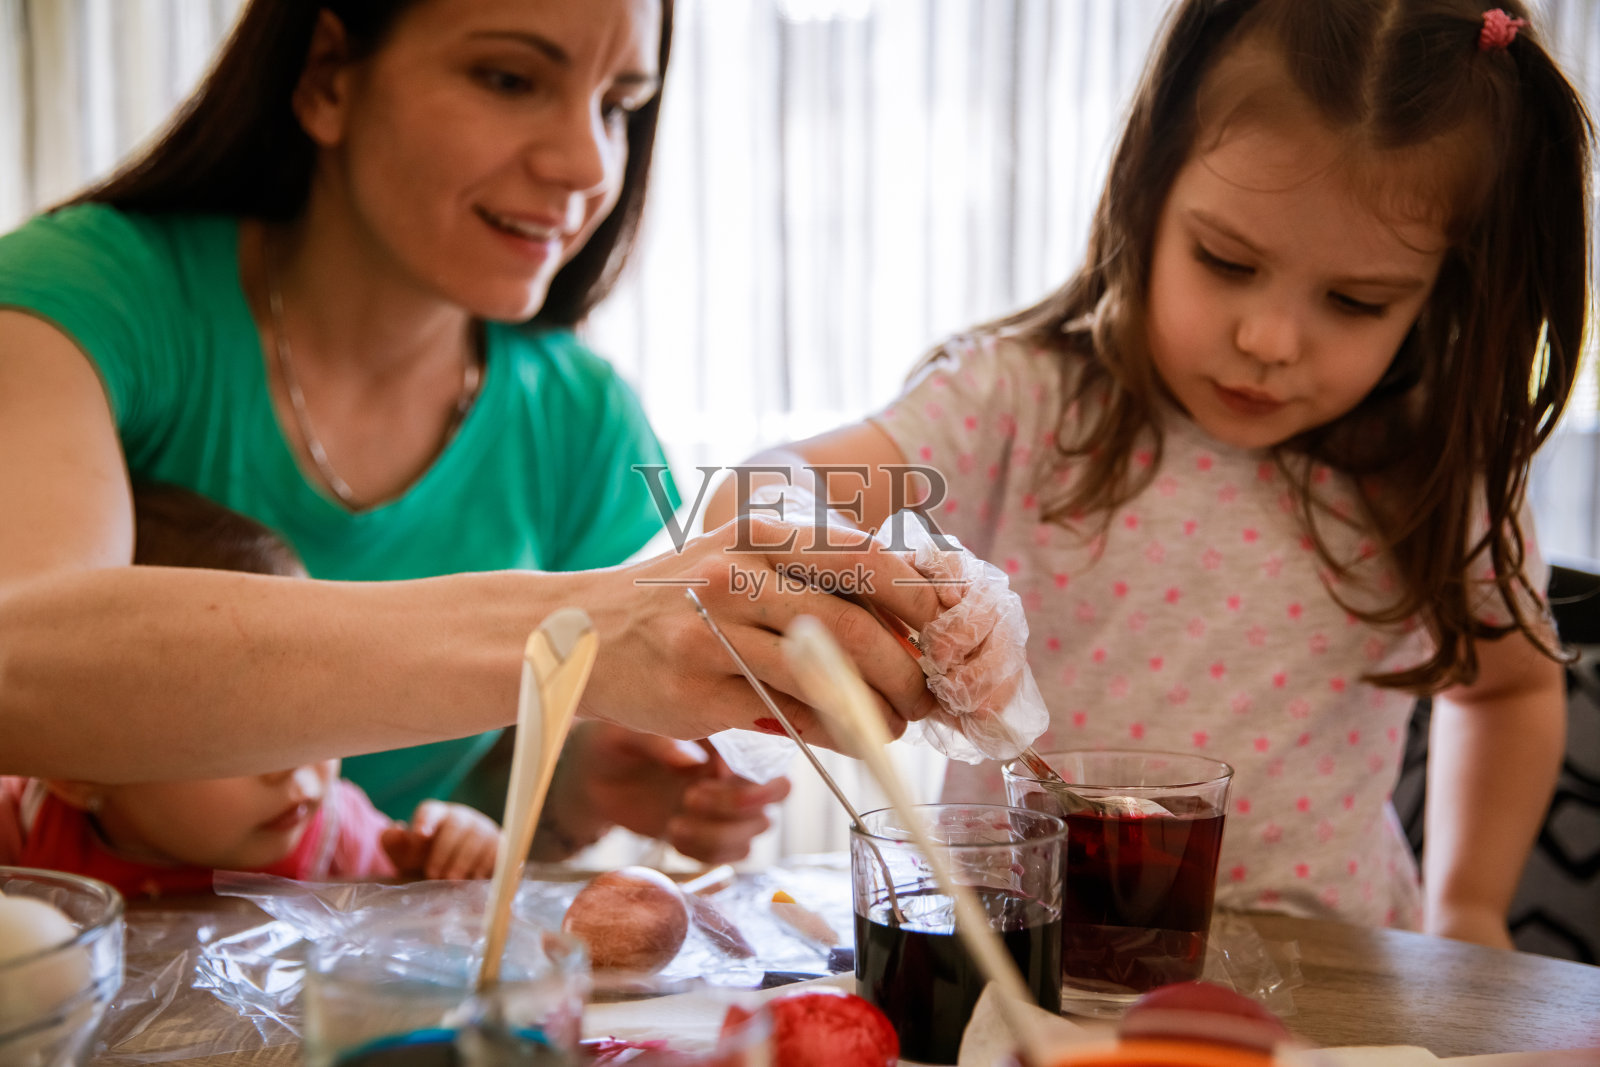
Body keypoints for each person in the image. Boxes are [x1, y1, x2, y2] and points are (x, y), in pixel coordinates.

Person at [708, 0, 1590, 948]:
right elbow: (758, 492)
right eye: (1226, 261)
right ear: (1147, 190)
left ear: (1441, 292)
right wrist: (809, 549)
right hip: (1028, 957)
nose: (1270, 339)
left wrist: (1469, 904)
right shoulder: (1021, 400)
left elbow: (1505, 689)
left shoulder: (1429, 473)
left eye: (1355, 300)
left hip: (1334, 974)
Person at [0, 0, 940, 862]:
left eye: (618, 105)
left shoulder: (579, 414)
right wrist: (591, 633)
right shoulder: (81, 299)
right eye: (510, 78)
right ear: (328, 78)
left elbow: (425, 817)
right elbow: (18, 656)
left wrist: (575, 784)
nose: (587, 164)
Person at [0, 483, 502, 898]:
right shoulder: (23, 824)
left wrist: (455, 855)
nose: (294, 757)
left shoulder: (337, 836)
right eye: (240, 727)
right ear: (77, 774)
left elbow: (418, 916)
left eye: (312, 706)